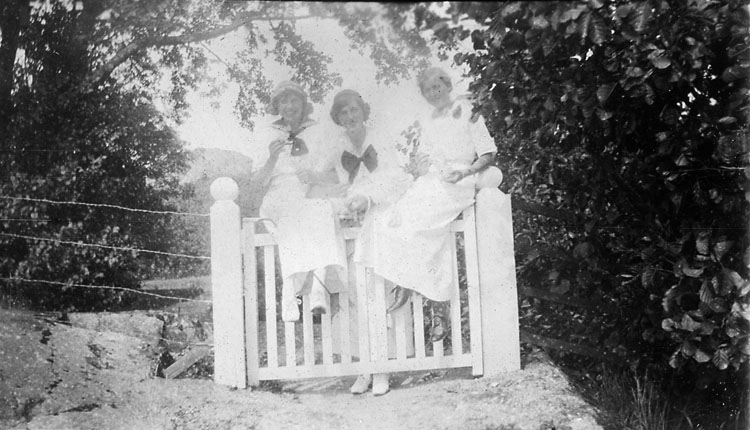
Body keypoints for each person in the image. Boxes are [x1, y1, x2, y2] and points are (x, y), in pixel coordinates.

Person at [355, 67, 497, 344]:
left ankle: (422, 295)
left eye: (437, 86)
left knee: (419, 226)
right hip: (432, 180)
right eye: (427, 90)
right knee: (394, 219)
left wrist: (465, 172)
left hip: (458, 181)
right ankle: (421, 293)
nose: (433, 93)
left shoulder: (468, 112)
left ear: (448, 85)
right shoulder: (428, 120)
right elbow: (425, 156)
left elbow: (488, 153)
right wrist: (421, 166)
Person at [328, 89, 413, 396]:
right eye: (343, 113)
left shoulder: (382, 141)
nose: (350, 117)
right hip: (353, 227)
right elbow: (338, 185)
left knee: (380, 295)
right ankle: (364, 369)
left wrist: (370, 198)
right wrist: (347, 200)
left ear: (364, 112)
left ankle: (383, 370)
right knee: (356, 298)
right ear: (338, 119)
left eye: (354, 110)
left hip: (382, 221)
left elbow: (399, 180)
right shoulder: (338, 151)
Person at [249, 81, 348, 322]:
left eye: (295, 100)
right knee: (303, 212)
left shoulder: (317, 132)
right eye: (284, 101)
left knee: (320, 208)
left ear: (303, 104)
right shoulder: (266, 134)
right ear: (277, 106)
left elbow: (336, 175)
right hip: (278, 196)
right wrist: (272, 158)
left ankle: (315, 290)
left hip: (310, 193)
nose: (290, 106)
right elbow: (257, 183)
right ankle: (292, 293)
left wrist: (315, 176)